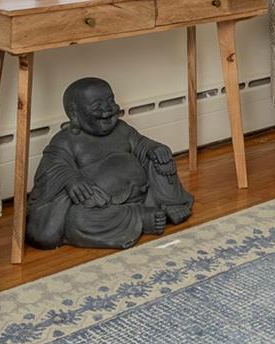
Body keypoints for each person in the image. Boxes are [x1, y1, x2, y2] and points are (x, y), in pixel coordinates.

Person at [24, 77, 194, 250]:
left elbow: (142, 144)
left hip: (143, 194)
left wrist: (155, 148)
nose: (107, 109)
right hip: (101, 207)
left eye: (111, 100)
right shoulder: (66, 140)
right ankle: (141, 218)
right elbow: (52, 169)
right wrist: (71, 180)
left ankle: (167, 203)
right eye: (97, 105)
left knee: (160, 159)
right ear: (74, 114)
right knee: (78, 219)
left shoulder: (122, 129)